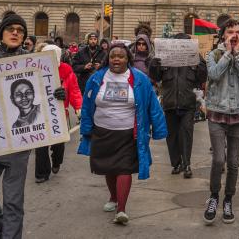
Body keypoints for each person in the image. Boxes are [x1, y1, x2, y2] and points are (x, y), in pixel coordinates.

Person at [0, 13, 67, 239]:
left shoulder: (32, 60)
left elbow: (45, 94)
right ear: (2, 32)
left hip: (20, 143)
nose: (16, 32)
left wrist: (57, 94)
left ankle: (10, 235)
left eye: (20, 30)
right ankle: (3, 226)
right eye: (11, 28)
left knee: (14, 201)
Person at [78, 43, 167, 226]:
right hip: (102, 132)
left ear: (128, 59)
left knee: (124, 168)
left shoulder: (140, 79)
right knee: (108, 168)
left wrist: (159, 129)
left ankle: (122, 209)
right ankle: (113, 197)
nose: (116, 59)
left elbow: (153, 106)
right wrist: (86, 128)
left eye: (121, 56)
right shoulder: (96, 78)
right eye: (113, 56)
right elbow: (87, 105)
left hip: (129, 133)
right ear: (107, 59)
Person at [203, 19, 239, 225]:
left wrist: (237, 56)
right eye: (230, 32)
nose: (234, 35)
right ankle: (214, 197)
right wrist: (227, 54)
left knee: (233, 162)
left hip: (237, 114)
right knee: (218, 159)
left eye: (238, 32)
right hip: (217, 112)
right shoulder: (212, 54)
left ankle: (228, 199)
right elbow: (213, 75)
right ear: (223, 34)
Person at [148, 33, 207, 178]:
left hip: (187, 102)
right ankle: (176, 163)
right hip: (170, 102)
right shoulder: (164, 57)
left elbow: (203, 76)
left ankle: (187, 164)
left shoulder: (197, 57)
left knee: (186, 134)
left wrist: (197, 65)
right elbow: (155, 76)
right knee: (172, 136)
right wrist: (154, 64)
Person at [34, 44, 82, 183]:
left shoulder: (66, 70)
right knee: (41, 145)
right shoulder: (34, 69)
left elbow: (73, 89)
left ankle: (56, 161)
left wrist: (78, 107)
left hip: (59, 112)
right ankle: (41, 173)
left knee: (59, 144)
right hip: (39, 112)